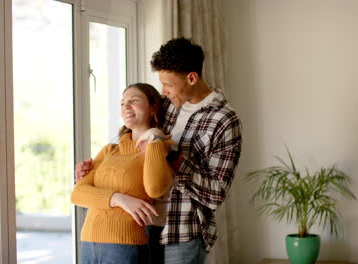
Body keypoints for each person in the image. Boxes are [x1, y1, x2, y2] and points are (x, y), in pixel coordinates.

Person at [76, 37, 242, 264]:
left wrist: (172, 157)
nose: (163, 92)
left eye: (168, 84)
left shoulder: (224, 120)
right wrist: (96, 169)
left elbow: (216, 193)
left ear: (192, 78)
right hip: (140, 225)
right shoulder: (164, 106)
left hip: (182, 230)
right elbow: (135, 138)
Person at [71, 83, 173, 264]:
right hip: (88, 241)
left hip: (125, 245)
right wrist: (120, 199)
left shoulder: (159, 148)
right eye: (122, 103)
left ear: (153, 108)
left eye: (134, 101)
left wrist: (155, 136)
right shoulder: (109, 150)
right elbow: (78, 194)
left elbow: (155, 189)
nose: (126, 106)